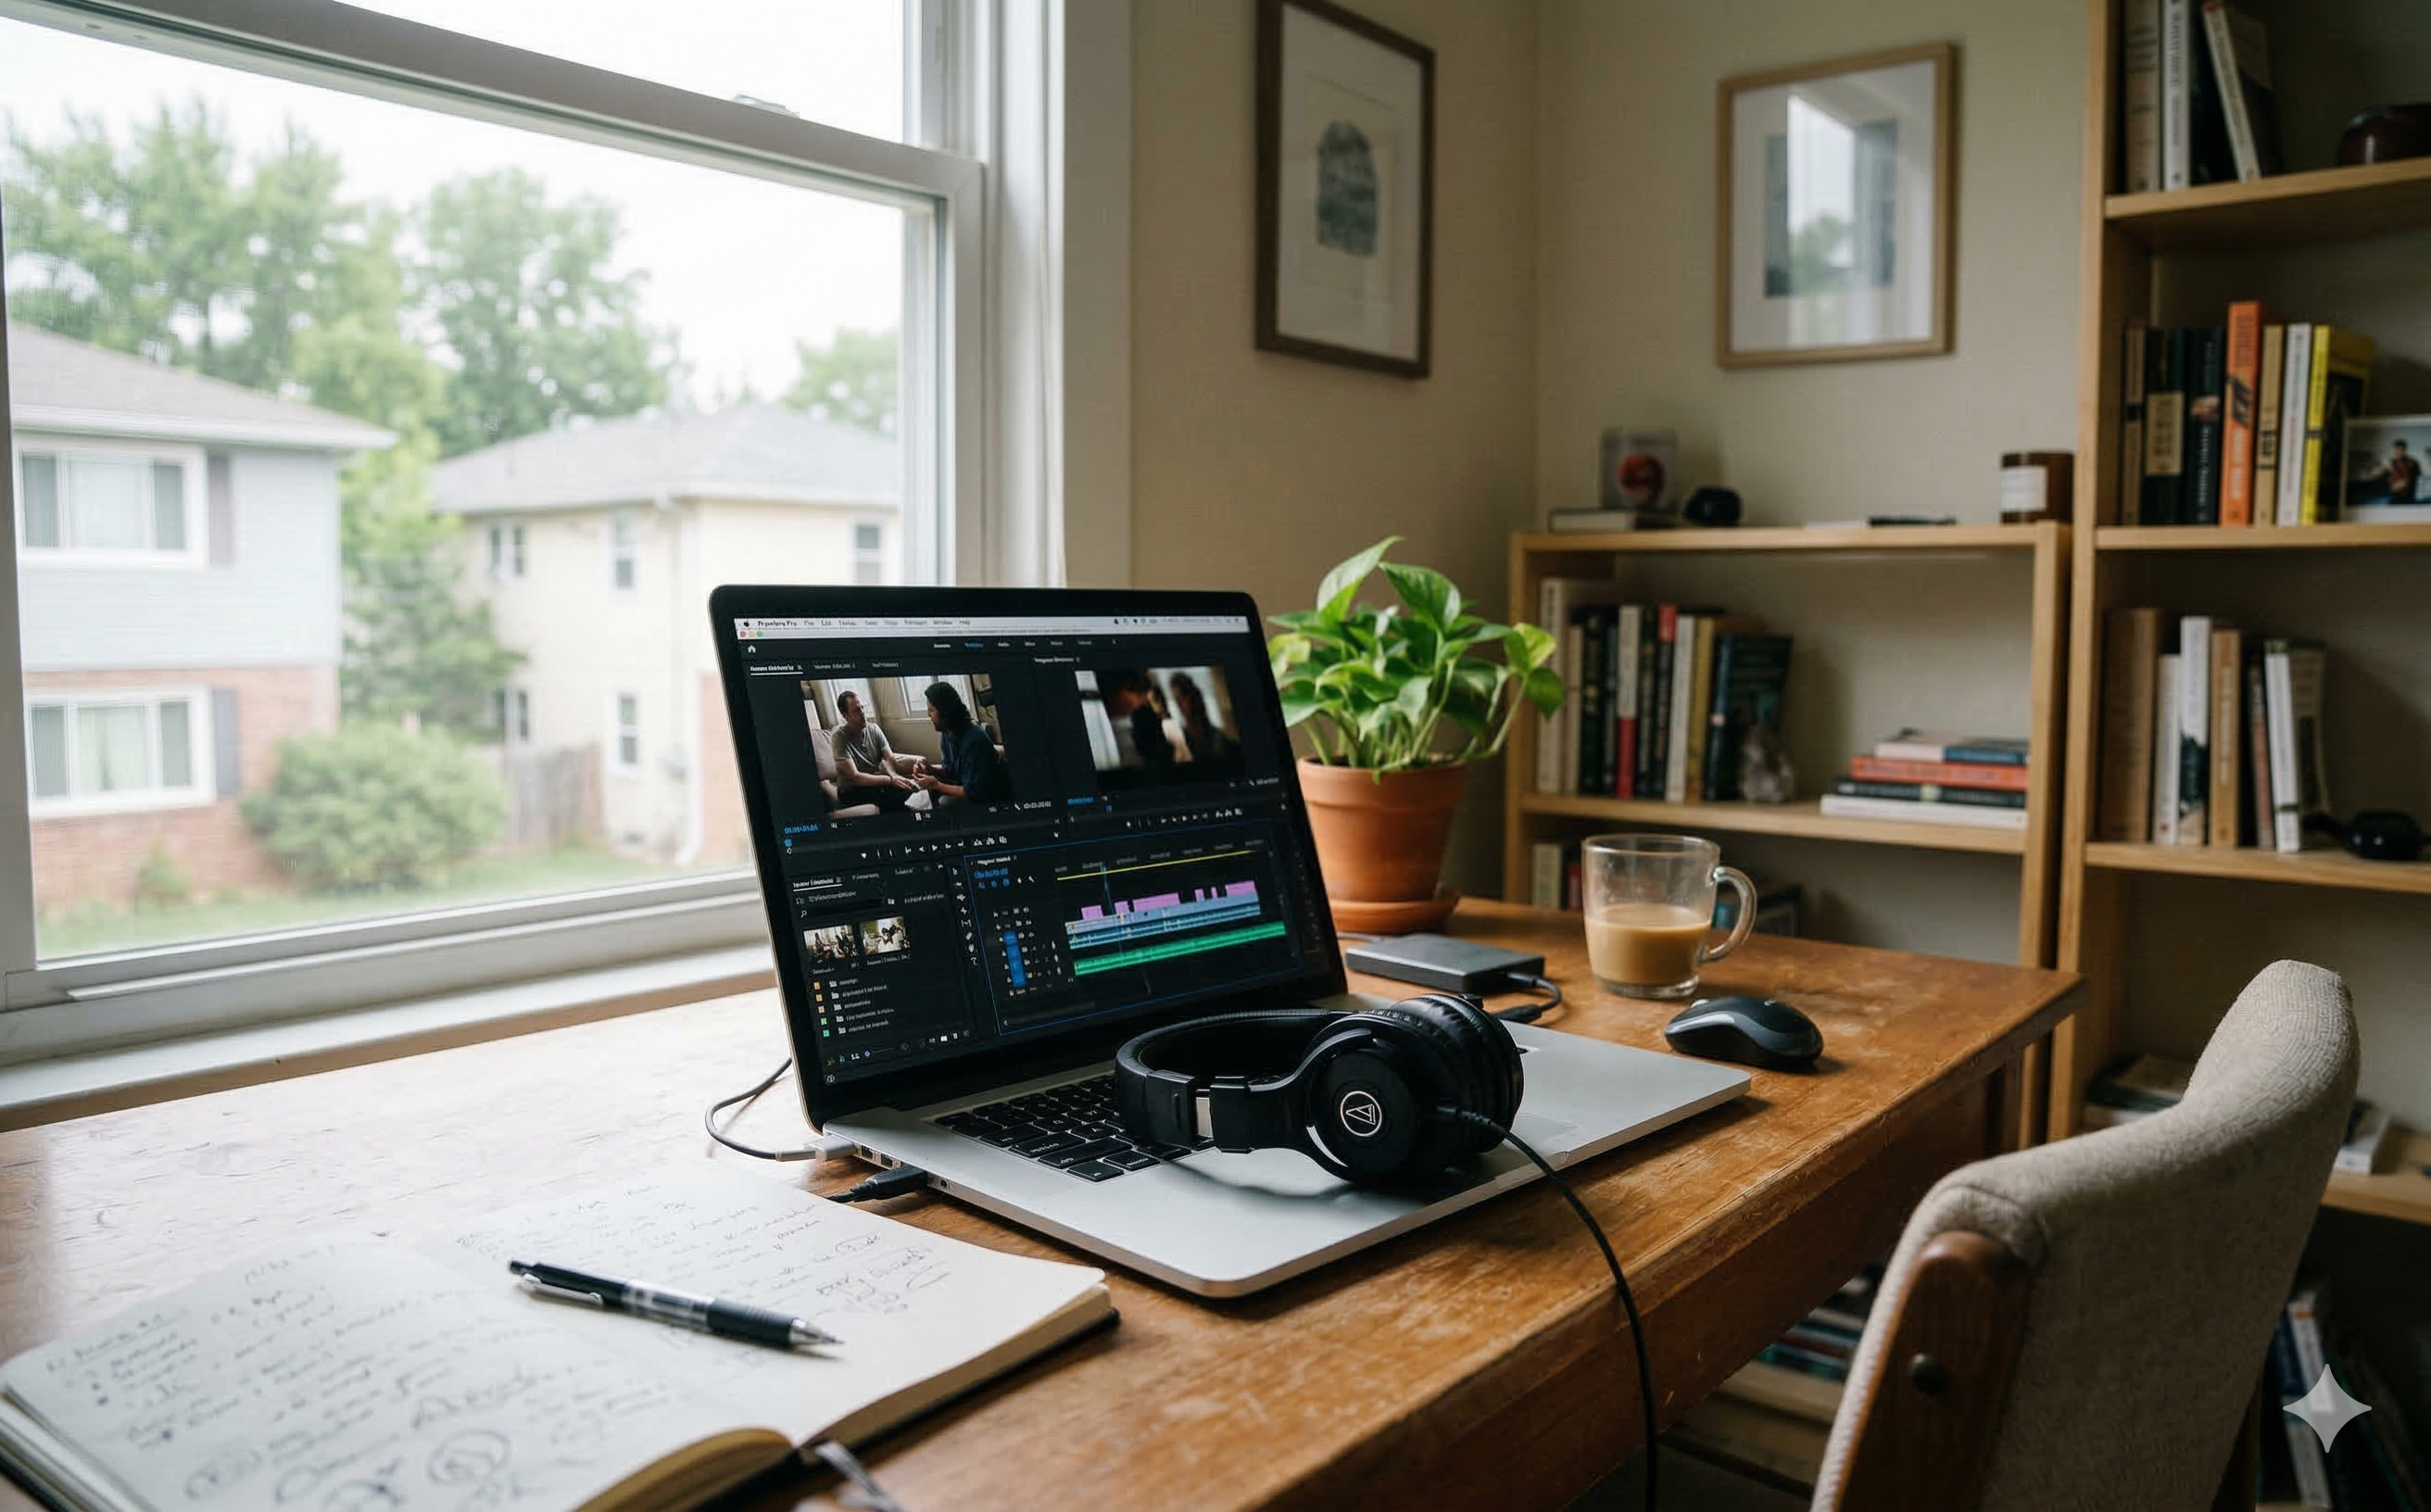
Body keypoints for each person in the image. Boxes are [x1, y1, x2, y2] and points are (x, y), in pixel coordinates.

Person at [914, 680, 1011, 803]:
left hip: (990, 798)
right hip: (968, 787)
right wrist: (930, 769)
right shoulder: (946, 732)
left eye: (931, 710)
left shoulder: (974, 741)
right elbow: (951, 772)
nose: (928, 714)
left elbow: (975, 792)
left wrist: (937, 785)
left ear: (945, 712)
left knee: (946, 802)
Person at [827, 689, 922, 813]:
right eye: (856, 710)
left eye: (862, 707)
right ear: (845, 716)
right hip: (851, 790)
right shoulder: (839, 737)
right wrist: (890, 780)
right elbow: (856, 777)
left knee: (907, 789)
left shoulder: (874, 729)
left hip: (873, 782)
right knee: (892, 797)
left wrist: (894, 776)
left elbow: (889, 758)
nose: (862, 713)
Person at [1168, 673, 1240, 768]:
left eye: (1183, 697)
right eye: (1177, 700)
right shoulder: (1182, 740)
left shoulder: (1218, 737)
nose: (1180, 705)